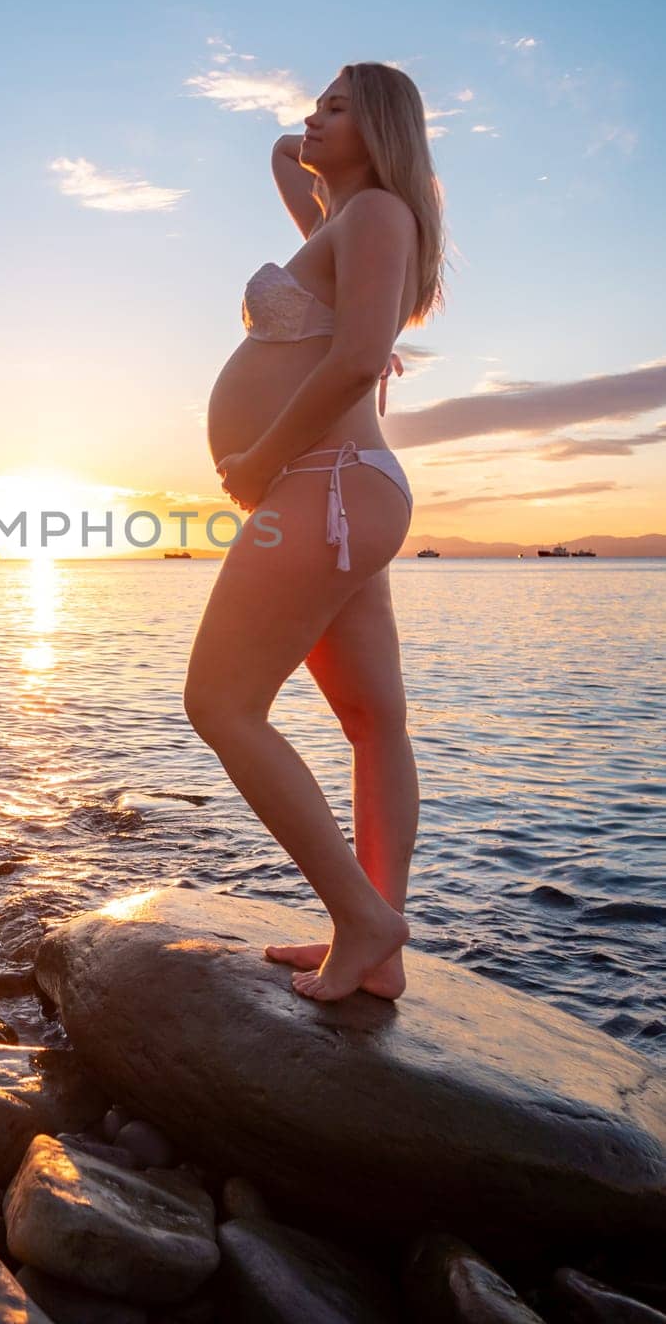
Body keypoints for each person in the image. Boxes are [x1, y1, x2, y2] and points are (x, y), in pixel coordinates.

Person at [184, 61, 448, 1001]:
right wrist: (323, 136)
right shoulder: (345, 221)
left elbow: (359, 358)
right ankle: (383, 949)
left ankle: (363, 917)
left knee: (218, 705)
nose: (311, 116)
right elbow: (280, 152)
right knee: (375, 723)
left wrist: (257, 460)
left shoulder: (377, 216)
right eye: (316, 101)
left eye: (339, 106)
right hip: (342, 491)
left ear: (382, 130)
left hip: (322, 486)